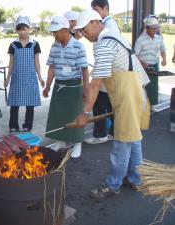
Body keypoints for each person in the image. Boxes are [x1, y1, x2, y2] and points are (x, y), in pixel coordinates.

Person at [74, 9, 150, 198]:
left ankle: (113, 184)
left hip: (128, 96)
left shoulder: (105, 44)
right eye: (81, 32)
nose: (83, 35)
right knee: (133, 139)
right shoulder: (114, 36)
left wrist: (84, 113)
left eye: (84, 30)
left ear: (94, 22)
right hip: (134, 92)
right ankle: (135, 179)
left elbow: (95, 83)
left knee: (122, 142)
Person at [43, 16, 89, 158]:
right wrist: (48, 86)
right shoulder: (54, 46)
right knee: (58, 116)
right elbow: (51, 67)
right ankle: (60, 140)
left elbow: (84, 69)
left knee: (75, 116)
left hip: (74, 86)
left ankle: (77, 143)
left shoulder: (78, 46)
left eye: (55, 32)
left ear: (64, 30)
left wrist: (86, 89)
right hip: (59, 86)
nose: (54, 35)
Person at [84, 0, 121, 145]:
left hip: (108, 71)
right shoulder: (105, 24)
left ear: (105, 8)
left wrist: (84, 113)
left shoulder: (109, 26)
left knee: (99, 104)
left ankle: (100, 134)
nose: (94, 12)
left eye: (96, 9)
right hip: (107, 70)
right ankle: (113, 132)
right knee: (110, 104)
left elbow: (107, 53)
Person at [4, 16, 44, 133]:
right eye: (20, 29)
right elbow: (11, 62)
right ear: (17, 30)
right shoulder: (13, 45)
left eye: (24, 29)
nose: (22, 32)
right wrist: (7, 78)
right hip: (17, 77)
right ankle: (13, 125)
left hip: (30, 77)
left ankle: (27, 125)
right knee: (14, 104)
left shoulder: (34, 44)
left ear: (29, 29)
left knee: (30, 104)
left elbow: (37, 61)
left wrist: (40, 77)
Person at [134, 16, 167, 111]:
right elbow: (135, 55)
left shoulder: (159, 38)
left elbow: (163, 50)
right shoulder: (140, 40)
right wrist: (141, 62)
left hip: (155, 65)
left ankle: (152, 105)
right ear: (147, 28)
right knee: (144, 86)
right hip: (143, 67)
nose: (155, 30)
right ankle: (142, 106)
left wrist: (164, 59)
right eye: (153, 28)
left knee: (153, 86)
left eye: (156, 28)